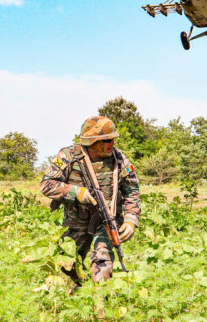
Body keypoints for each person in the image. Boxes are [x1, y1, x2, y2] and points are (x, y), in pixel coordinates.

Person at [40, 116, 141, 283]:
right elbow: (46, 184)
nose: (112, 144)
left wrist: (131, 219)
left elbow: (132, 191)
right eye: (107, 140)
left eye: (113, 139)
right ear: (92, 141)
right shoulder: (69, 156)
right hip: (76, 221)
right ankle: (73, 300)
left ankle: (100, 301)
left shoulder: (119, 159)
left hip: (106, 220)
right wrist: (75, 192)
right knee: (68, 265)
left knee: (103, 261)